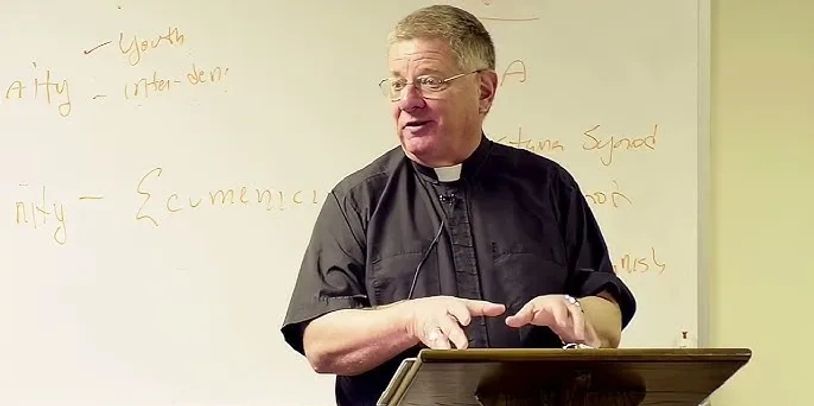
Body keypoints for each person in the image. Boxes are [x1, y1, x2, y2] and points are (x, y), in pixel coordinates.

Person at [281, 5, 636, 405]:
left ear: (484, 91)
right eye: (397, 84)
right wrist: (410, 320)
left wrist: (574, 313)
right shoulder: (357, 200)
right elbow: (321, 344)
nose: (408, 101)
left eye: (429, 82)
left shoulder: (548, 186)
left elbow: (608, 318)